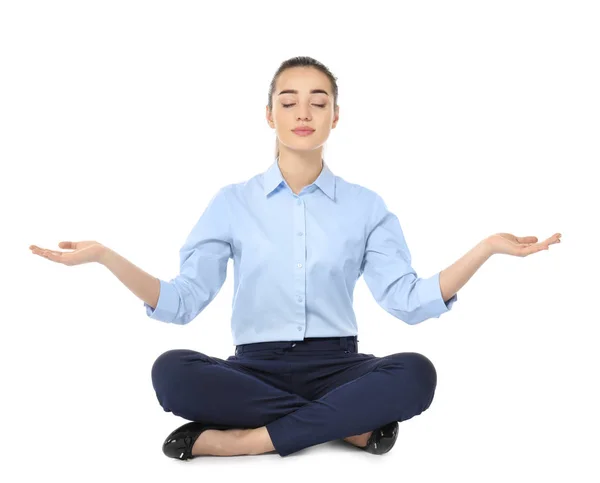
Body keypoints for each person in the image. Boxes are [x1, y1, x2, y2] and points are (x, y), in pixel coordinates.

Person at [29, 56, 562, 460]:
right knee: (172, 372)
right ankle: (347, 427)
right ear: (269, 116)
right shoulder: (231, 203)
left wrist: (486, 250)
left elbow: (407, 301)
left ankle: (244, 442)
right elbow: (182, 302)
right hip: (253, 369)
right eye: (288, 101)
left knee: (416, 374)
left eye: (318, 101)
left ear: (336, 116)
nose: (303, 112)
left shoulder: (366, 207)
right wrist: (105, 258)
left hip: (341, 367)